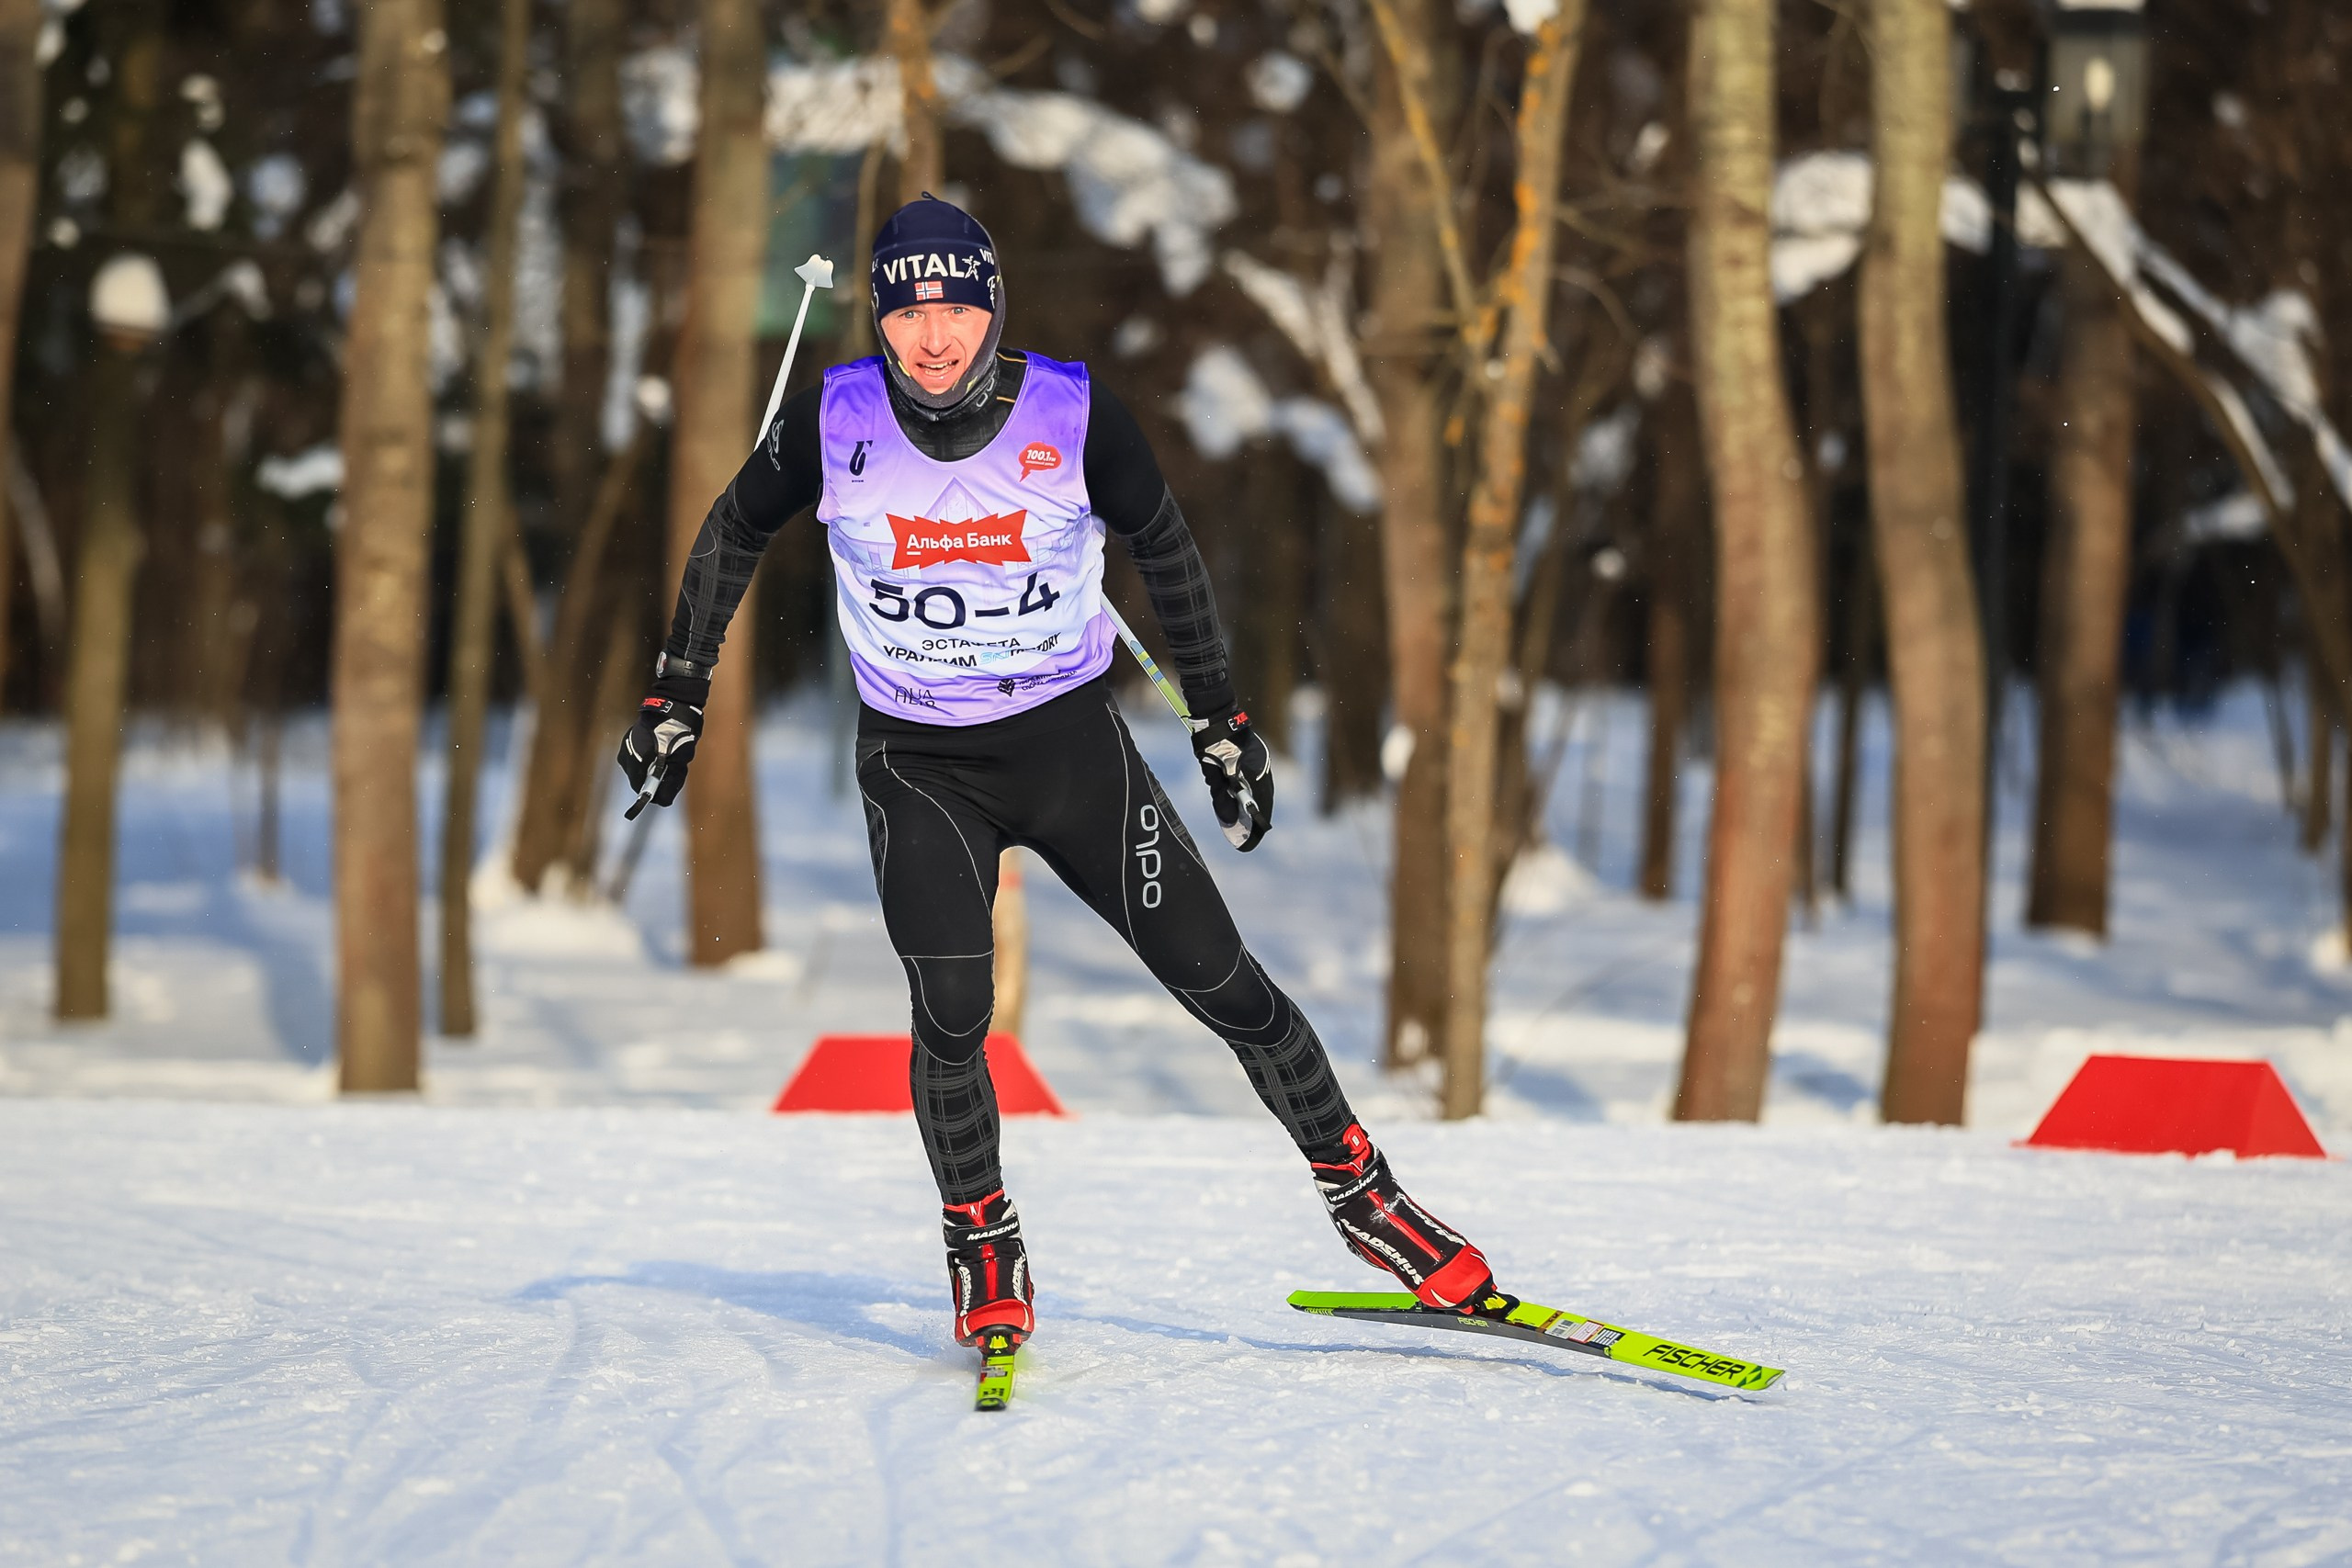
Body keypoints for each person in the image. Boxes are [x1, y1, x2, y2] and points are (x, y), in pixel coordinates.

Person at [620, 195, 1497, 1351]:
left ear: (992, 310)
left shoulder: (1069, 411)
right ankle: (982, 1240)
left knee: (1220, 979)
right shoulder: (830, 424)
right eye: (909, 311)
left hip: (1068, 747)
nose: (934, 336)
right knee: (951, 1011)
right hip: (919, 760)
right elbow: (730, 535)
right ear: (879, 320)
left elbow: (1166, 547)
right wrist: (676, 692)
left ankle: (1366, 1199)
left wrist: (1221, 719)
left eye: (957, 308)